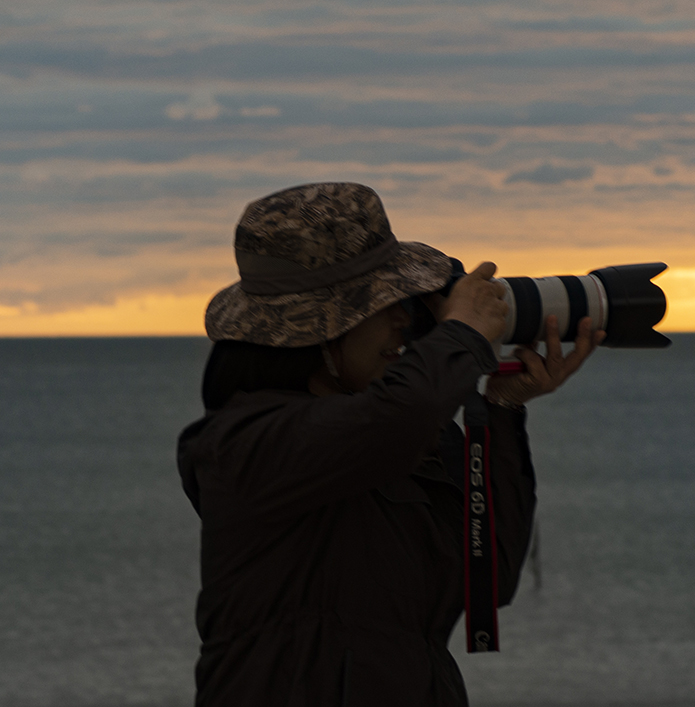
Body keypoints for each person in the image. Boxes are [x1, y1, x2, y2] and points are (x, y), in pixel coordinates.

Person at [176, 182, 603, 706]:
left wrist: (503, 409)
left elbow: (488, 577)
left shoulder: (401, 437)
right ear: (320, 330)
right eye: (383, 304)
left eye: (405, 302)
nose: (404, 319)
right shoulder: (243, 444)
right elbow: (395, 417)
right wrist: (462, 335)